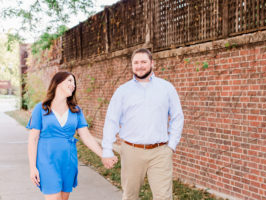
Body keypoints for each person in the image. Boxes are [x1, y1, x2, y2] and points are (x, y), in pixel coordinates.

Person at [101, 48, 184, 200]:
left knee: (164, 197)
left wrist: (171, 145)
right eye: (136, 62)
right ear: (132, 65)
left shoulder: (166, 88)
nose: (140, 66)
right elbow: (111, 120)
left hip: (160, 152)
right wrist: (107, 149)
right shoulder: (123, 91)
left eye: (143, 62)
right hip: (131, 151)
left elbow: (178, 117)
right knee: (130, 196)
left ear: (152, 63)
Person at [27, 71, 118, 200]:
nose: (73, 84)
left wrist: (104, 154)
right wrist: (33, 167)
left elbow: (86, 137)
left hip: (68, 161)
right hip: (47, 161)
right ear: (57, 83)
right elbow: (33, 139)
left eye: (74, 82)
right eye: (69, 80)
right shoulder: (41, 108)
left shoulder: (75, 110)